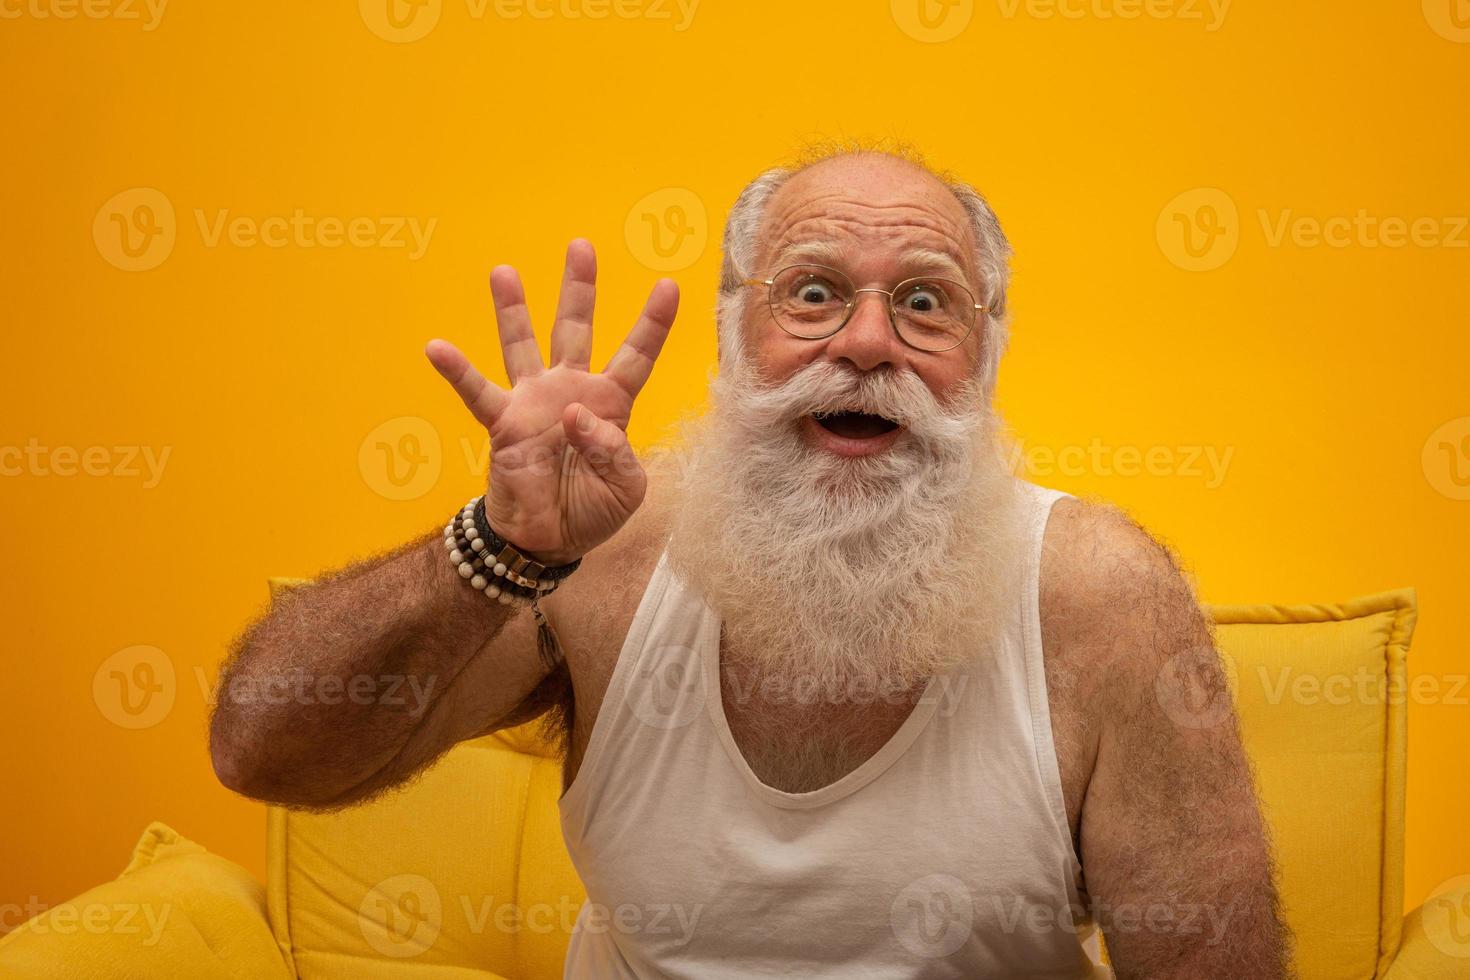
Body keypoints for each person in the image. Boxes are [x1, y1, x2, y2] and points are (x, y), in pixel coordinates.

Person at [209, 146, 1292, 978]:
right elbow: (266, 752)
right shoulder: (599, 555)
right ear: (734, 336)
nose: (866, 341)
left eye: (924, 301)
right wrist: (498, 546)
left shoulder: (1101, 594)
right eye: (813, 291)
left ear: (987, 357)